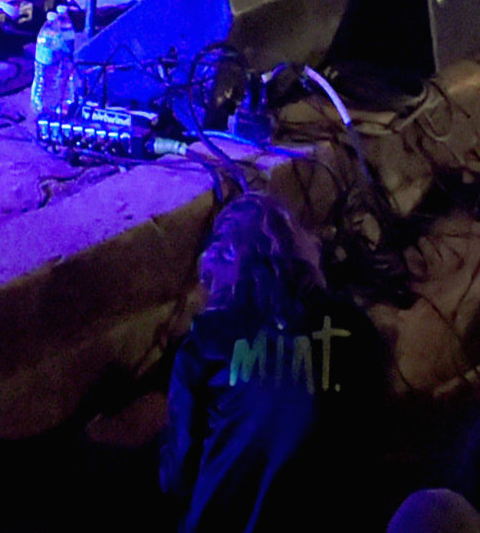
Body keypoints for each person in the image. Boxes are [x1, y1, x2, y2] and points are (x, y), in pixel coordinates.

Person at [160, 193, 386, 531]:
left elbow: (175, 480)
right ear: (302, 250)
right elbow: (372, 442)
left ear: (220, 264)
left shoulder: (208, 341)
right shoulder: (355, 328)